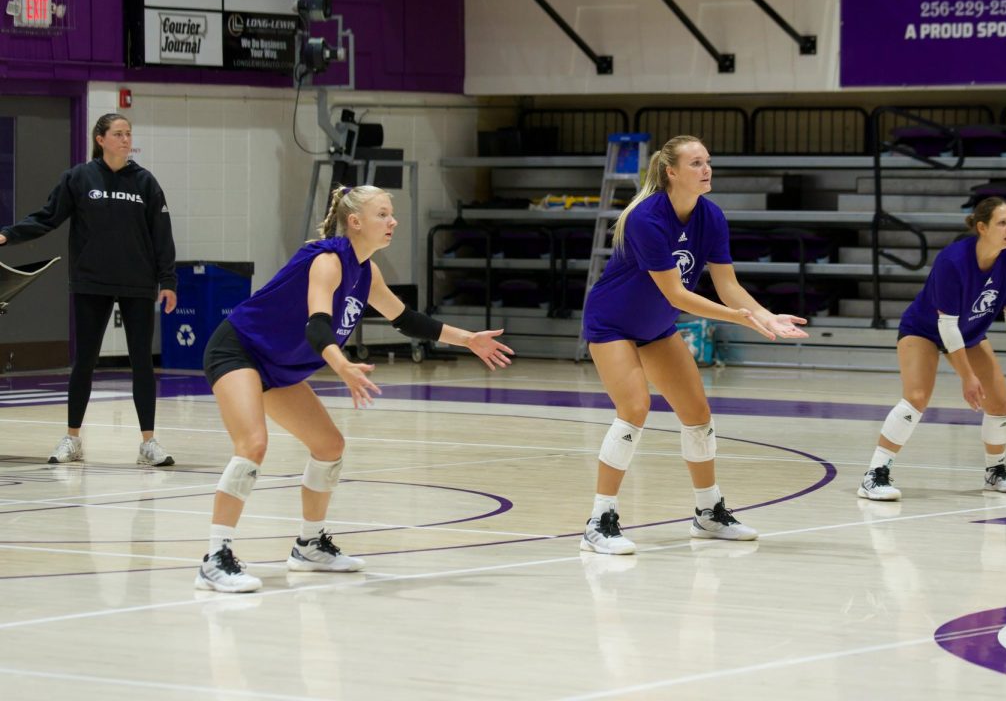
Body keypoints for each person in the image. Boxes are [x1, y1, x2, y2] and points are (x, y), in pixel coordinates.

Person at [195, 184, 514, 592]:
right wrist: (341, 364)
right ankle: (215, 558)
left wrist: (467, 339)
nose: (392, 221)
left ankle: (309, 546)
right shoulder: (328, 261)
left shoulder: (367, 272)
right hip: (238, 349)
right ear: (356, 222)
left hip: (278, 364)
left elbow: (407, 320)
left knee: (329, 446)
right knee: (253, 445)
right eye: (383, 214)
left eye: (391, 213)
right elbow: (317, 324)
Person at [579, 135, 808, 555]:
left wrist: (765, 314)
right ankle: (600, 520)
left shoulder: (711, 216)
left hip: (656, 327)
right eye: (696, 163)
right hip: (612, 323)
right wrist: (739, 318)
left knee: (698, 414)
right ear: (671, 172)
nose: (706, 170)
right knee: (634, 409)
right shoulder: (647, 218)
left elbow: (728, 286)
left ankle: (707, 513)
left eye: (708, 162)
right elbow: (677, 295)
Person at [0, 113, 177, 467]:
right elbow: (47, 217)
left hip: (138, 284)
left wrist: (168, 281)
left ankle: (148, 443)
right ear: (101, 139)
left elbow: (162, 237)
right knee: (84, 362)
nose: (126, 139)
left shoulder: (146, 183)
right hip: (91, 281)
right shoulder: (79, 178)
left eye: (129, 134)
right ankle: (72, 439)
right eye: (118, 134)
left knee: (142, 363)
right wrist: (8, 235)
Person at [858, 196, 1006, 502]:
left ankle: (996, 471)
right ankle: (875, 474)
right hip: (924, 330)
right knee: (916, 398)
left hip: (969, 333)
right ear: (982, 227)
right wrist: (967, 377)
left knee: (1000, 402)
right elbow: (946, 326)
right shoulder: (953, 260)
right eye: (1002, 223)